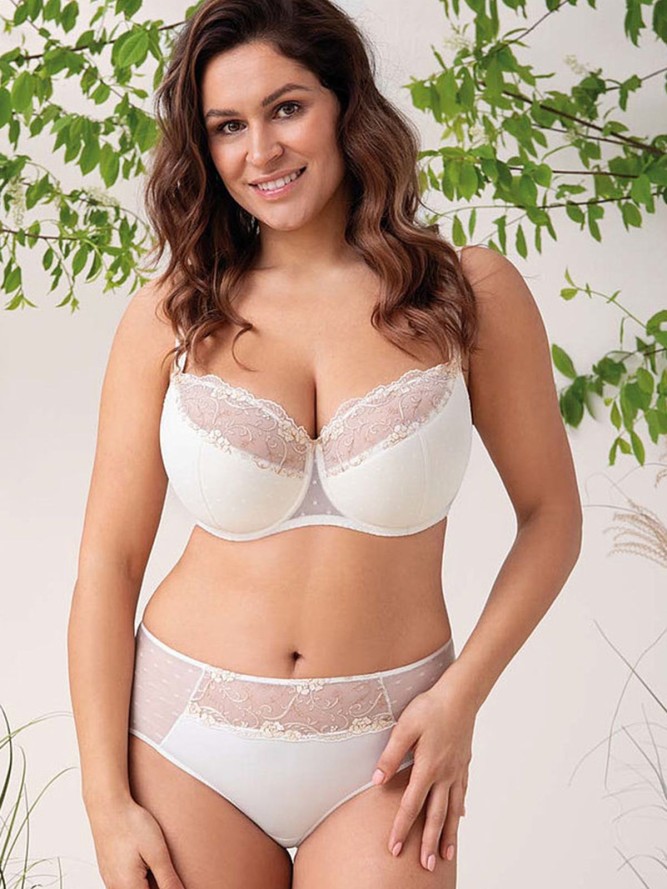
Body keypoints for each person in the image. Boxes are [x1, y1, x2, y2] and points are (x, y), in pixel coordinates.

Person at [67, 0, 583, 887]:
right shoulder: (171, 314)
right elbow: (108, 564)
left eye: (286, 108)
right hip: (184, 740)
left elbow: (551, 517)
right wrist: (104, 801)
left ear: (346, 104)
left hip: (392, 742)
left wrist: (459, 698)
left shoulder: (466, 293)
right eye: (228, 126)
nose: (260, 150)